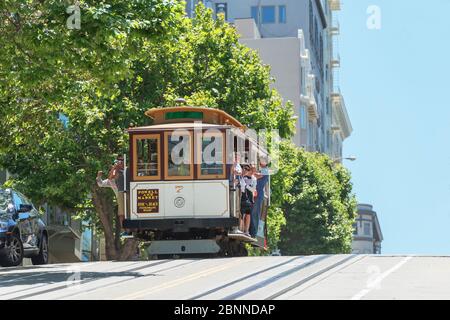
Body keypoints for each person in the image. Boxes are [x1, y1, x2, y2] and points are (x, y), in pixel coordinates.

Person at [96, 155, 127, 234]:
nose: (120, 162)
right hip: (120, 197)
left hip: (129, 195)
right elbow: (101, 184)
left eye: (121, 160)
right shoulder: (112, 179)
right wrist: (99, 177)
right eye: (118, 161)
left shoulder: (126, 171)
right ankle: (125, 230)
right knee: (121, 214)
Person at [250, 157, 270, 238]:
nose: (260, 162)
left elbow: (257, 176)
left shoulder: (265, 170)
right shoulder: (263, 170)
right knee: (253, 213)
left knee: (255, 214)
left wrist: (252, 170)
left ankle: (254, 233)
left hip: (258, 194)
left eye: (262, 161)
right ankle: (253, 232)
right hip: (256, 194)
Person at [239, 164, 257, 237]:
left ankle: (246, 231)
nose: (246, 170)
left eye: (247, 169)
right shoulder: (242, 177)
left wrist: (246, 186)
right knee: (242, 214)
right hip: (242, 196)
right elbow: (241, 186)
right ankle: (241, 230)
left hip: (249, 197)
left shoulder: (254, 179)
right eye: (245, 169)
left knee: (248, 214)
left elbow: (253, 189)